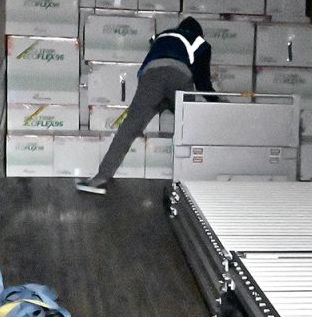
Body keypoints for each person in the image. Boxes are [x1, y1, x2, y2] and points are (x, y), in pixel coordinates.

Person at [76, 16, 217, 194]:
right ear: (199, 33)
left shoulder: (161, 36)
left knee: (129, 127)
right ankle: (196, 181)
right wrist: (218, 103)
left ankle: (100, 178)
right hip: (179, 78)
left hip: (151, 76)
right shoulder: (199, 42)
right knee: (189, 129)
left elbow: (158, 62)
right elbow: (202, 83)